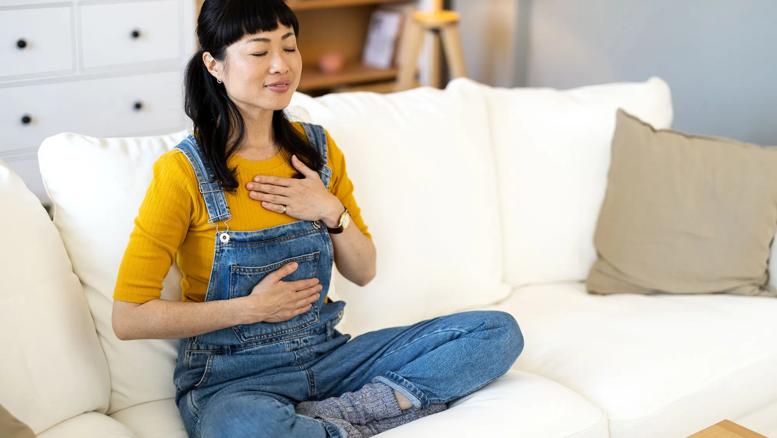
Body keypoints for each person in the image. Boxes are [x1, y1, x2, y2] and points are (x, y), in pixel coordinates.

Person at [111, 1, 524, 437]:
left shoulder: (318, 152)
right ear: (214, 65)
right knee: (244, 427)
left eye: (289, 47)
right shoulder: (182, 172)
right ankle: (372, 414)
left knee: (495, 332)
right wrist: (250, 308)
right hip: (234, 379)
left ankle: (352, 413)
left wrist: (330, 210)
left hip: (328, 358)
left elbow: (364, 271)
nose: (281, 66)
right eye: (259, 52)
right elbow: (129, 317)